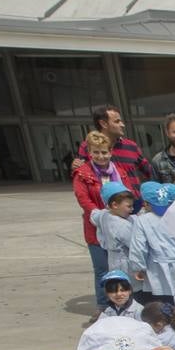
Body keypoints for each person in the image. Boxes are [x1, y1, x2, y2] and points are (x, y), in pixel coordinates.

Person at [74, 131, 140, 310]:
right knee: (102, 269)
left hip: (121, 222)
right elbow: (83, 199)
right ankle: (104, 306)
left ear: (110, 152)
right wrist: (102, 215)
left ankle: (128, 304)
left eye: (104, 152)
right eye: (96, 152)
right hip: (97, 224)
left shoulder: (119, 171)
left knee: (124, 268)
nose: (100, 156)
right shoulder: (82, 173)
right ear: (89, 152)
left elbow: (128, 192)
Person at [128, 182, 175, 305]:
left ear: (146, 203)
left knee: (162, 301)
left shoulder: (143, 220)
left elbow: (139, 247)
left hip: (157, 268)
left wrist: (138, 267)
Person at [73, 104, 152, 185]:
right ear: (103, 124)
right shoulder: (87, 146)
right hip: (103, 196)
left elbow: (149, 172)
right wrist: (75, 167)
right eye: (117, 121)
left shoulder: (132, 146)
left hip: (133, 197)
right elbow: (81, 176)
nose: (122, 125)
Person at [89, 180, 138, 306]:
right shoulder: (121, 225)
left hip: (113, 261)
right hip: (126, 264)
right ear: (115, 205)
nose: (132, 210)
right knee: (129, 292)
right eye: (129, 206)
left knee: (118, 290)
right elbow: (135, 245)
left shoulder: (104, 215)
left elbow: (93, 215)